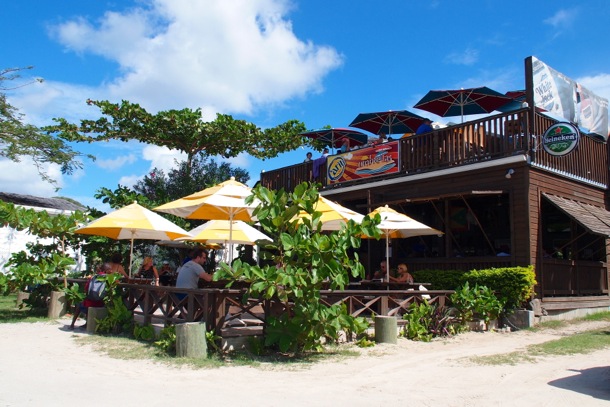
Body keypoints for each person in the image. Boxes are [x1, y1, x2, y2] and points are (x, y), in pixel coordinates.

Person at [70, 262, 111, 329]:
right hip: (100, 303)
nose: (111, 271)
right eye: (110, 269)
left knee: (79, 305)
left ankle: (72, 324)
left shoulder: (93, 277)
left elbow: (86, 289)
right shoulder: (108, 278)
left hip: (89, 303)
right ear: (107, 270)